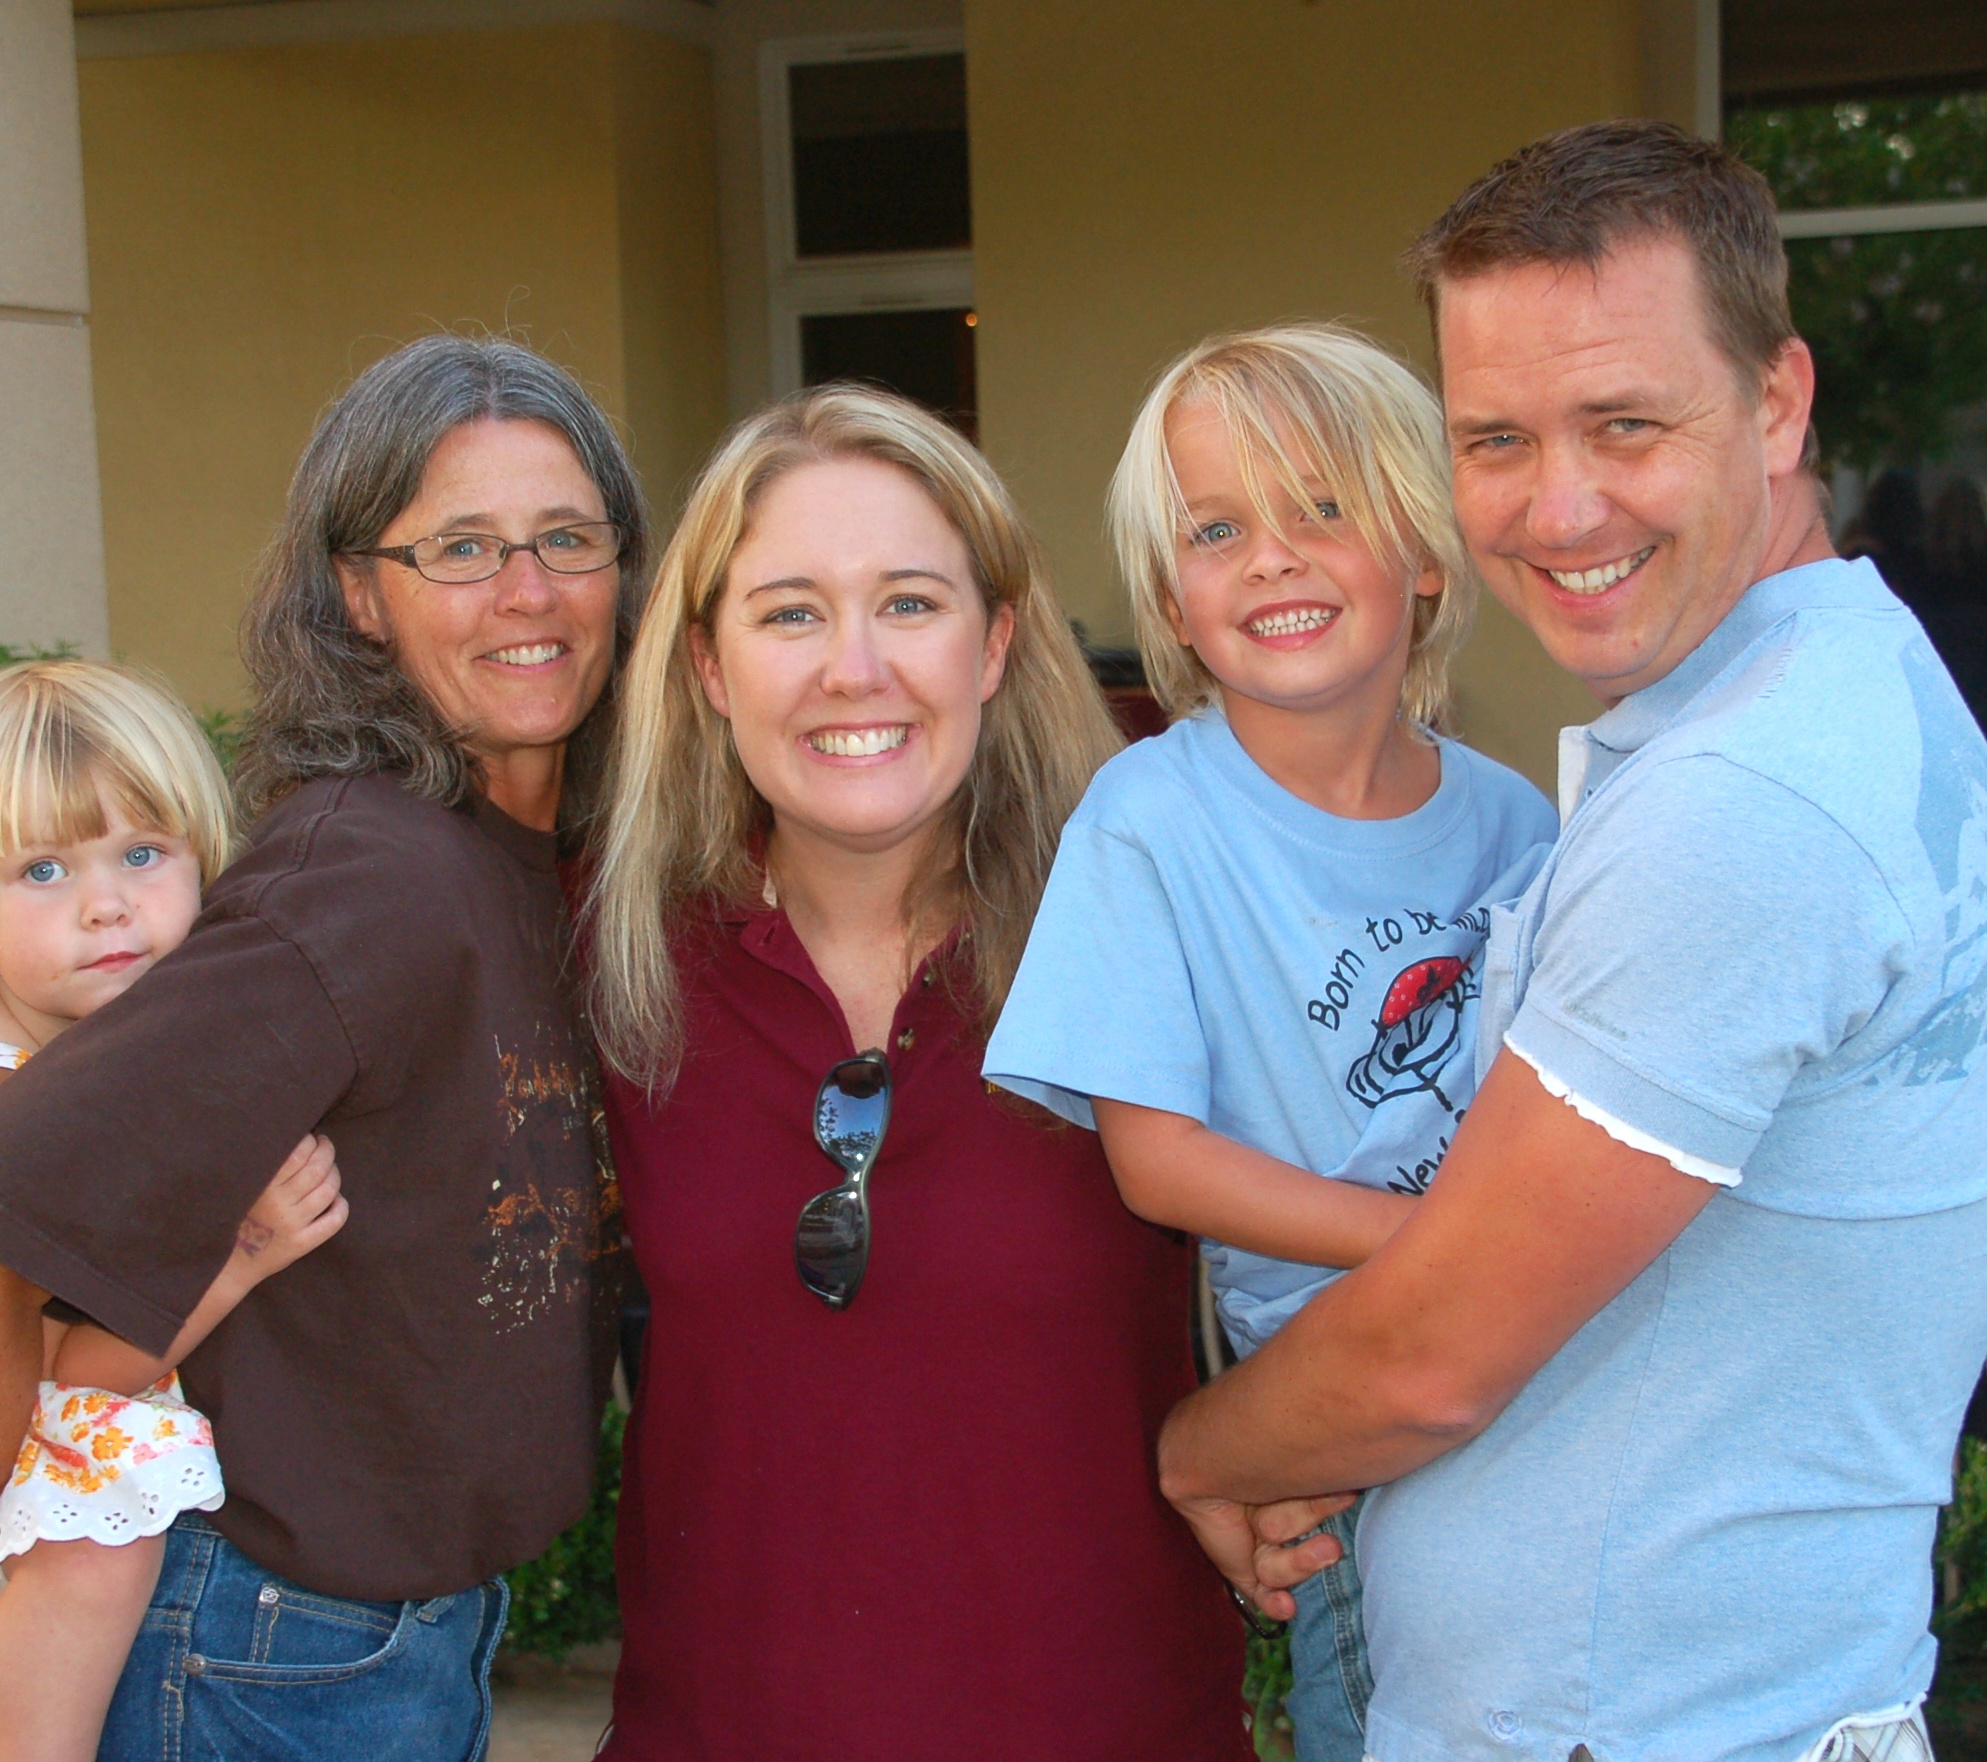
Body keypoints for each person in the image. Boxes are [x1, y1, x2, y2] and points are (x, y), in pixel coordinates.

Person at [1158, 120, 1987, 1762]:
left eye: (1623, 424)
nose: (1556, 506)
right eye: (1494, 439)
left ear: (1776, 404)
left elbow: (1431, 1355)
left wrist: (1200, 1453)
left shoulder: (1744, 796)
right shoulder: (1806, 697)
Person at [0, 335, 641, 1762]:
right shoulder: (362, 883)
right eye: (460, 547)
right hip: (263, 1652)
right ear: (358, 594)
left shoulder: (520, 857)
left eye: (566, 538)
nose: (527, 591)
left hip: (389, 1634)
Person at [584, 384, 1248, 1759]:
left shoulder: (1152, 925)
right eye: (788, 613)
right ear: (707, 665)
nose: (854, 667)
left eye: (907, 602)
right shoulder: (609, 957)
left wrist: (1275, 1443)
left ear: (994, 642)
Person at [982, 325, 1553, 1762]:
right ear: (1171, 600)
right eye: (1215, 529)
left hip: (1536, 1373)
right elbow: (1158, 1162)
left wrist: (1498, 1271)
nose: (1270, 559)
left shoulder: (1517, 823)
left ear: (1424, 553)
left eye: (1321, 506)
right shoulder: (1147, 819)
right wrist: (1432, 1246)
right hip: (1341, 1415)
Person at [0, 661, 347, 1762]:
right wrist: (245, 1256)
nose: (106, 904)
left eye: (143, 853)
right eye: (43, 869)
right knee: (109, 1514)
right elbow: (67, 1379)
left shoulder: (51, 1053)